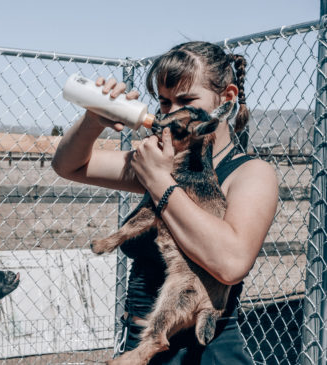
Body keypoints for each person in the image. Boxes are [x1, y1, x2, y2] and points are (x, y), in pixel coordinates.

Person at [52, 41, 278, 364]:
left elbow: (231, 262)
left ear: (226, 99)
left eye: (185, 100)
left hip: (204, 353)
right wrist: (94, 119)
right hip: (140, 343)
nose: (168, 114)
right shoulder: (164, 163)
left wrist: (158, 182)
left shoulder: (250, 173)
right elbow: (67, 166)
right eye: (164, 102)